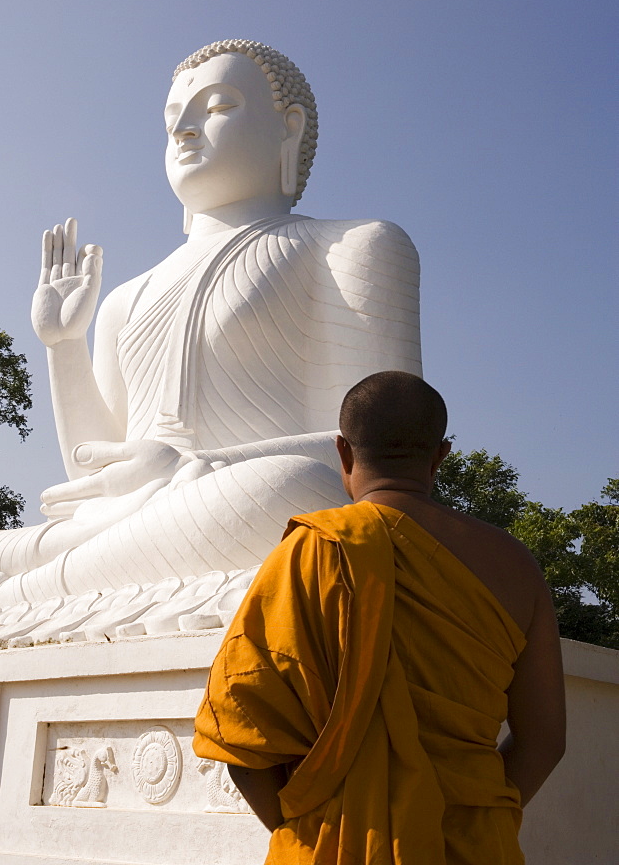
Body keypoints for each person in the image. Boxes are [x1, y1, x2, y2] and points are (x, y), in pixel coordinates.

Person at [0, 41, 421, 612]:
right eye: (174, 119)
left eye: (217, 107)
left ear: (288, 129)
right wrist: (64, 346)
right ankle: (33, 582)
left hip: (244, 500)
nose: (185, 132)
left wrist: (195, 468)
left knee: (290, 488)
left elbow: (383, 452)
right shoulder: (127, 297)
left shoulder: (351, 246)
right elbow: (89, 472)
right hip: (125, 525)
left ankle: (15, 596)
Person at [193, 370, 566, 864]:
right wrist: (470, 806)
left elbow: (240, 735)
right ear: (441, 455)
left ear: (342, 452)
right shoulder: (516, 566)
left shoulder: (309, 551)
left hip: (331, 841)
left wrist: (312, 823)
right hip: (474, 844)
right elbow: (544, 741)